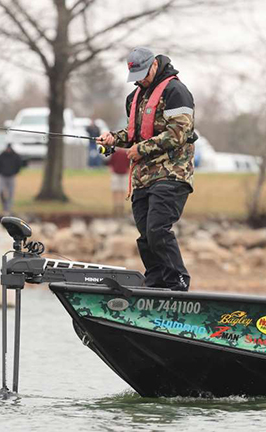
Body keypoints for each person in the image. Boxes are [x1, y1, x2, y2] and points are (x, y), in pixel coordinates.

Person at [98, 47, 197, 292]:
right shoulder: (134, 98)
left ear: (154, 65)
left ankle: (177, 283)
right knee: (145, 235)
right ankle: (155, 282)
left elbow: (178, 133)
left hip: (172, 174)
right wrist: (113, 138)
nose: (140, 79)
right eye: (136, 76)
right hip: (143, 178)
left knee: (157, 230)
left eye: (144, 73)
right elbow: (134, 136)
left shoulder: (177, 92)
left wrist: (141, 150)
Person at [0, 144, 23, 214]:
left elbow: (19, 164)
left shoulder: (15, 156)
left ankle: (8, 208)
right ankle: (4, 206)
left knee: (11, 193)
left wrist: (16, 172)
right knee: (1, 191)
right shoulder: (2, 155)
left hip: (11, 176)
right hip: (3, 176)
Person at [106, 147, 130, 216]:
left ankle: (121, 206)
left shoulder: (125, 153)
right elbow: (111, 162)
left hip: (123, 174)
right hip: (116, 173)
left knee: (121, 190)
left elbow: (128, 163)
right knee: (116, 190)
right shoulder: (115, 153)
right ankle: (116, 206)